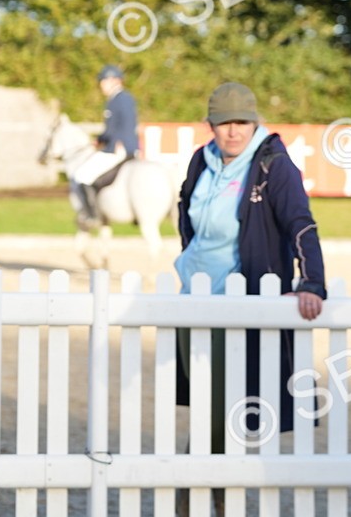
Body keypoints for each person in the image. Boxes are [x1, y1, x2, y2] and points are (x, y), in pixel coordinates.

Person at [174, 82, 327, 466]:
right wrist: (190, 258)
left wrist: (311, 283)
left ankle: (204, 483)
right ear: (210, 124)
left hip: (239, 306)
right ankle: (203, 480)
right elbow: (185, 209)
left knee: (228, 406)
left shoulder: (273, 164)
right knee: (207, 402)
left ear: (255, 121)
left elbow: (300, 224)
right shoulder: (200, 159)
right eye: (224, 122)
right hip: (191, 301)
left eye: (242, 121)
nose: (233, 131)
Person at [72, 64, 139, 230]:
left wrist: (107, 140)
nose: (101, 85)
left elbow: (118, 128)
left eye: (103, 81)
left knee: (81, 175)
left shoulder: (119, 99)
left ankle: (92, 215)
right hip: (123, 145)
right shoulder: (121, 98)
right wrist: (100, 139)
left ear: (113, 81)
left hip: (117, 148)